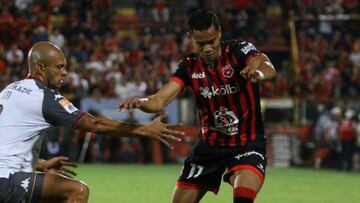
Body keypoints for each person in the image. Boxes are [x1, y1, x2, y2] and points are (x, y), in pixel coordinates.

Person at [118, 9, 276, 203]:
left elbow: (266, 64)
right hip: (208, 148)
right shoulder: (189, 66)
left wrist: (258, 73)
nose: (208, 48)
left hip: (247, 144)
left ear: (219, 33)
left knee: (243, 197)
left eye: (212, 41)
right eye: (201, 44)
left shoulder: (238, 50)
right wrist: (141, 102)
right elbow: (160, 100)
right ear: (190, 38)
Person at [0, 41, 184, 203]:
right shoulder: (43, 97)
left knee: (52, 194)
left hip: (6, 178)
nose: (64, 72)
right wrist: (143, 130)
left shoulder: (9, 90)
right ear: (41, 68)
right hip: (8, 181)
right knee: (77, 191)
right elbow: (93, 123)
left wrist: (40, 164)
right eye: (59, 67)